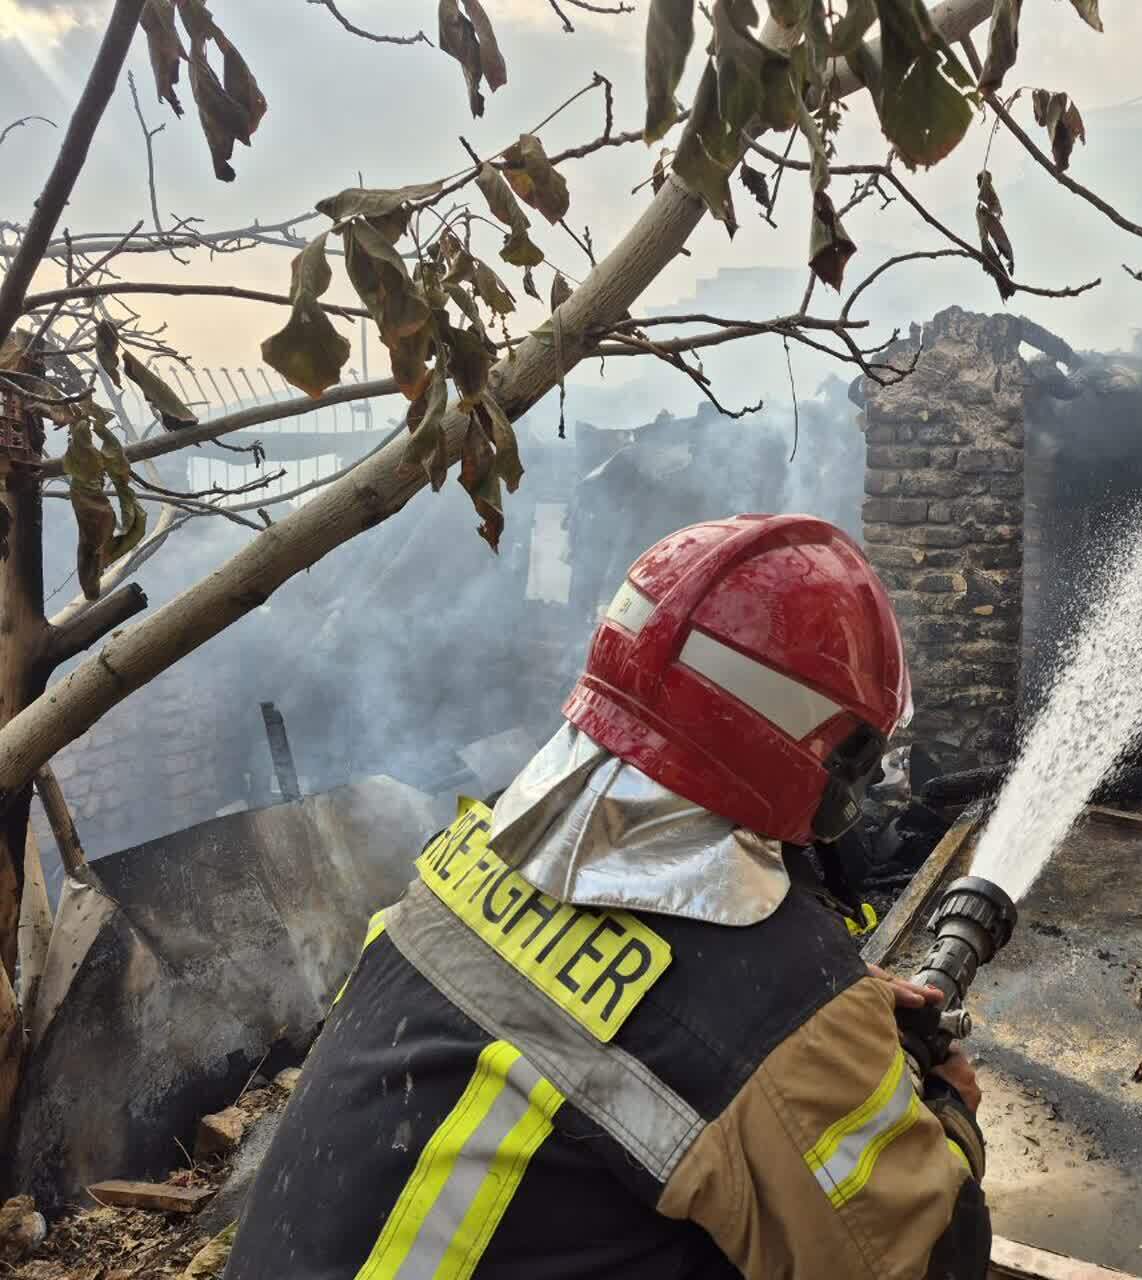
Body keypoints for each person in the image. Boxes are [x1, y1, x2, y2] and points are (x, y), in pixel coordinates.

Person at [225, 514, 992, 1279]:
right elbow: (925, 1260)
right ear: (815, 744)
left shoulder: (466, 854)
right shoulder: (772, 1002)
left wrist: (830, 1024)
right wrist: (948, 1111)